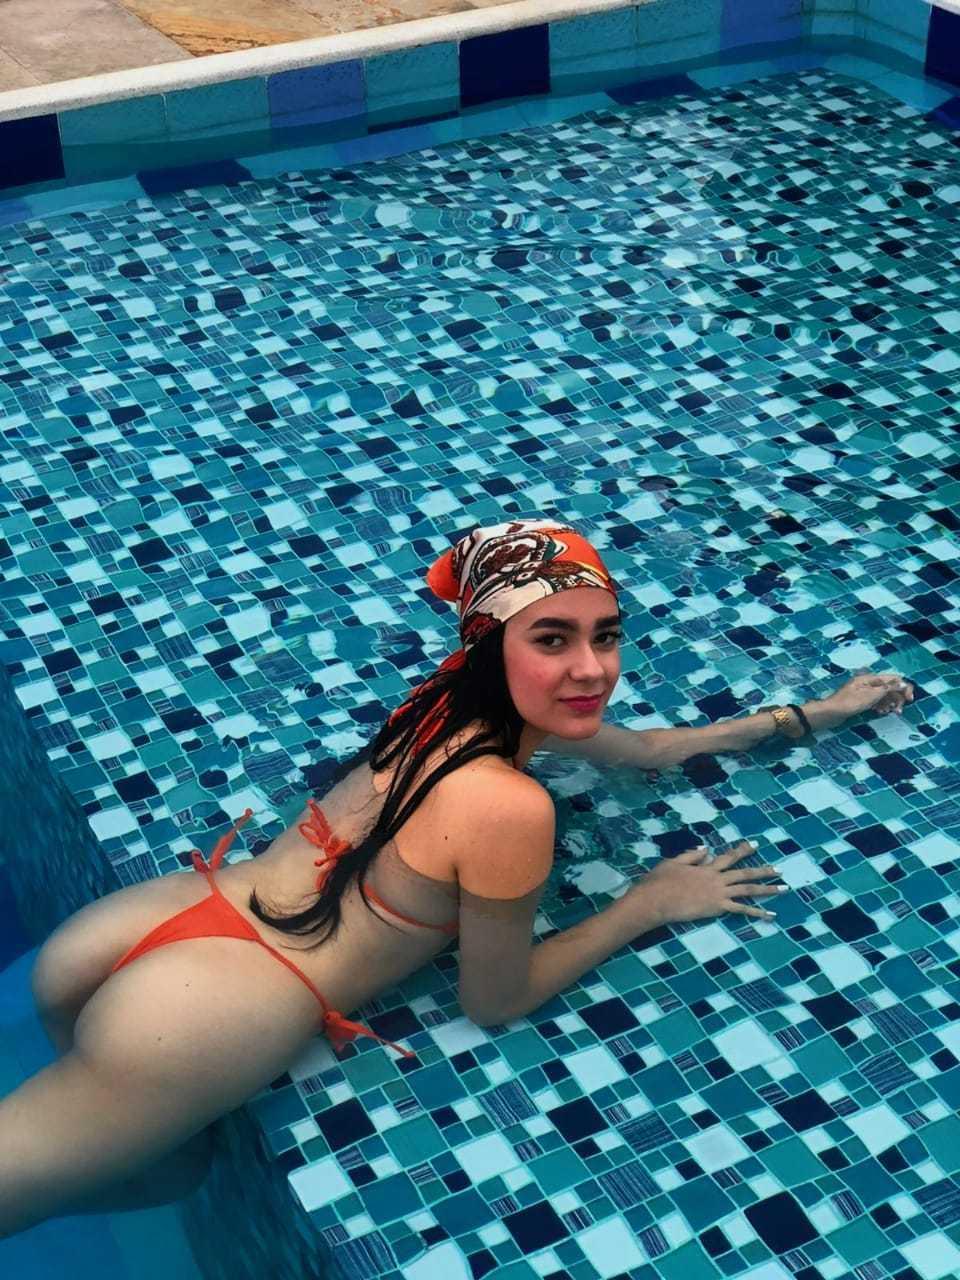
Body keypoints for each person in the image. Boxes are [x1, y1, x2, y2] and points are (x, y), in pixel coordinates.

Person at [0, 518, 913, 1239]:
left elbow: (649, 750)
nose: (591, 668)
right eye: (554, 638)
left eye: (606, 636)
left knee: (176, 1167)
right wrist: (646, 904)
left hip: (139, 924)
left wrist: (810, 714)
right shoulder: (508, 807)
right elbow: (494, 1000)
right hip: (199, 1019)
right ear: (497, 644)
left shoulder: (450, 699)